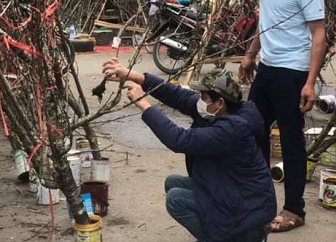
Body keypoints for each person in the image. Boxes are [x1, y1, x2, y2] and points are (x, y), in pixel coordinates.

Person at [102, 59, 276, 242]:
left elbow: (179, 140)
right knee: (173, 182)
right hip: (233, 192)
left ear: (220, 103)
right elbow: (178, 96)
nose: (199, 100)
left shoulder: (231, 130)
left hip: (246, 211)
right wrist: (134, 76)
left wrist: (144, 104)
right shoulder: (226, 111)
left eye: (203, 97)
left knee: (176, 199)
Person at [239, 0, 327, 233]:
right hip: (267, 67)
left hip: (293, 71)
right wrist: (251, 54)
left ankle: (294, 209)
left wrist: (310, 82)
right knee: (252, 131)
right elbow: (267, 19)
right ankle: (258, 198)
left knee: (291, 141)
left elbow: (319, 34)